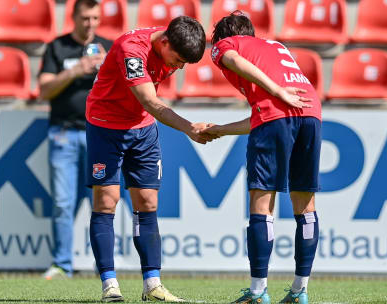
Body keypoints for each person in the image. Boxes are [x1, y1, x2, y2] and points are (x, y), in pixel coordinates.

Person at [85, 16, 214, 302]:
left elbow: (148, 107)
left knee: (148, 202)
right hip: (106, 126)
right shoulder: (131, 49)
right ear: (164, 41)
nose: (177, 67)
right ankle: (110, 285)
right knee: (106, 201)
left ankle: (152, 285)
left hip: (142, 129)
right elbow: (151, 102)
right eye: (178, 60)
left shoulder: (168, 47)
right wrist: (188, 128)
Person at [204, 12, 322, 304]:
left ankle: (257, 292)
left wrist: (276, 89)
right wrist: (221, 130)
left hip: (281, 108)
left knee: (261, 202)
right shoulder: (276, 48)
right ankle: (300, 290)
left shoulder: (225, 45)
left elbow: (232, 61)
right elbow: (265, 113)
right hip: (311, 112)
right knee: (305, 205)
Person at [39, 0, 112, 280]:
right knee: (62, 202)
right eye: (85, 18)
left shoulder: (109, 46)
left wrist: (106, 68)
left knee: (103, 202)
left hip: (101, 135)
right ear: (74, 17)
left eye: (95, 18)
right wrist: (75, 70)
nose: (90, 24)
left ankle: (104, 267)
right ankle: (62, 264)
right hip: (64, 133)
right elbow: (43, 90)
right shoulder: (57, 47)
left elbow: (129, 87)